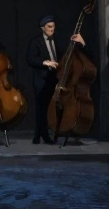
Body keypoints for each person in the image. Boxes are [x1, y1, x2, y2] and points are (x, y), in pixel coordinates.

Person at [25, 15, 86, 144]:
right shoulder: (36, 42)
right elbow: (30, 59)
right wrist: (44, 62)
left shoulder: (56, 41)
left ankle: (45, 134)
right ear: (43, 28)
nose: (52, 29)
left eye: (53, 27)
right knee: (41, 108)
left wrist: (78, 42)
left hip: (55, 79)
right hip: (42, 80)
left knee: (50, 108)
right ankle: (40, 135)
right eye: (49, 27)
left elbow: (65, 56)